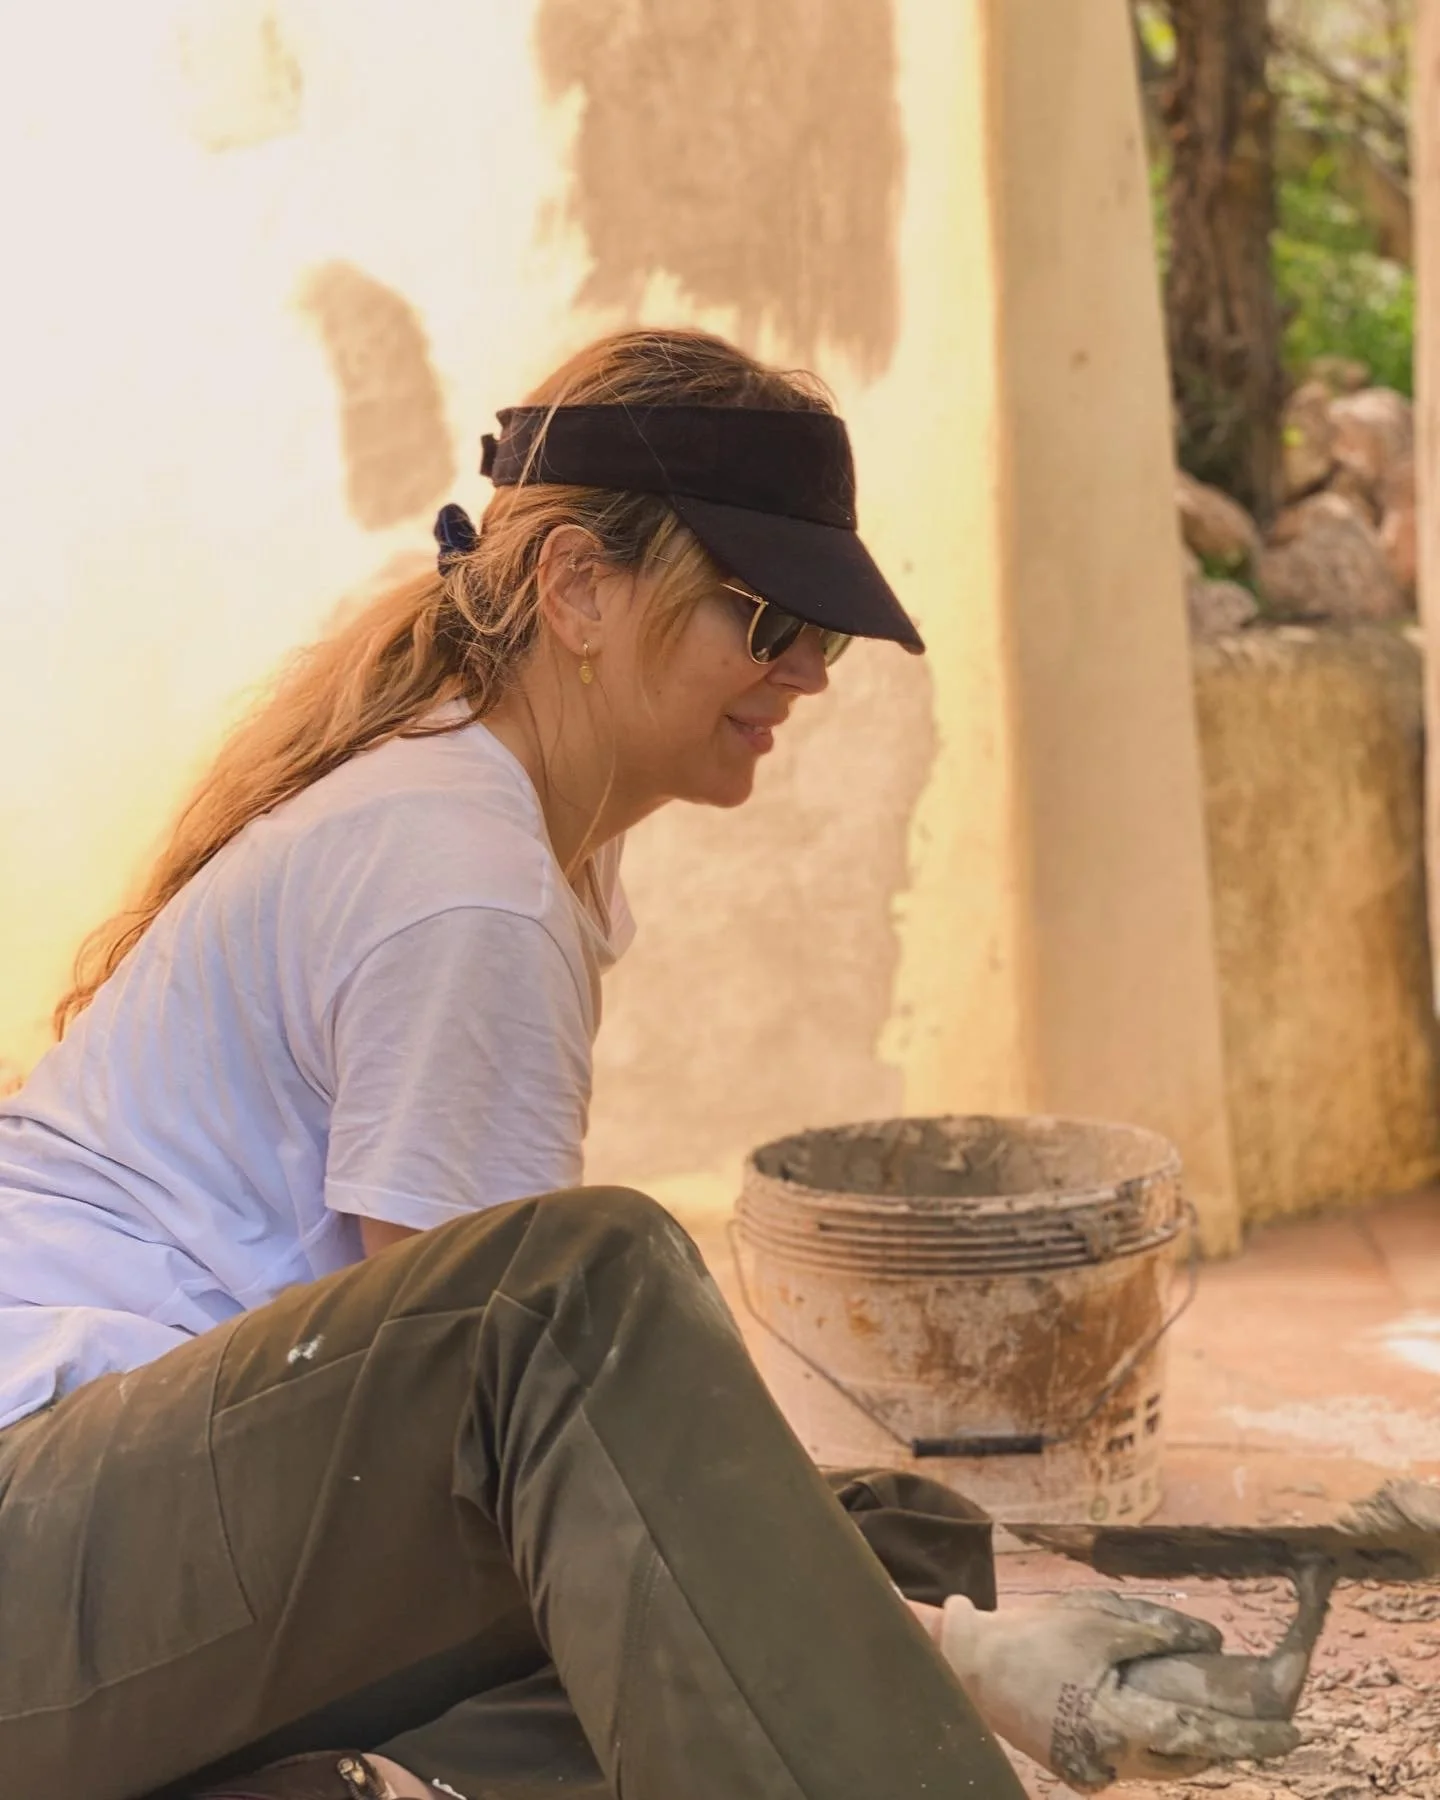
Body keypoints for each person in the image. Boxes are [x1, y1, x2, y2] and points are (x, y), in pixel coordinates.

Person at [0, 328, 1298, 1800]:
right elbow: (485, 1418)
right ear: (577, 590)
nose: (804, 672)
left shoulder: (496, 825)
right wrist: (955, 1664)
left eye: (828, 631)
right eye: (763, 616)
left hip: (132, 1549)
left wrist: (923, 1625)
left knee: (864, 1534)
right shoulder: (461, 874)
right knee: (583, 1304)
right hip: (47, 1563)